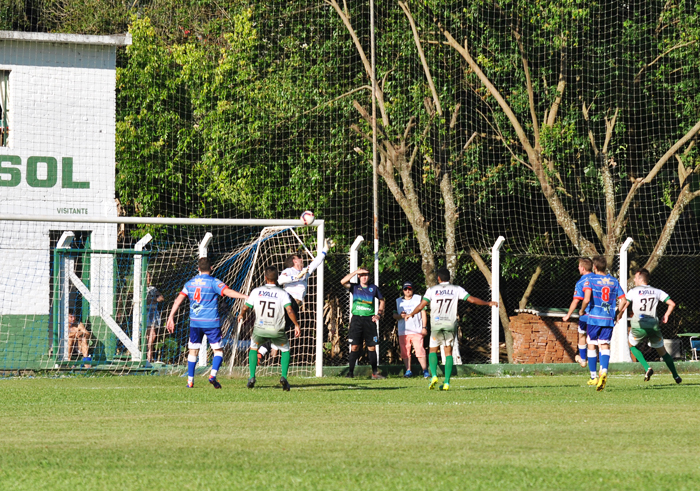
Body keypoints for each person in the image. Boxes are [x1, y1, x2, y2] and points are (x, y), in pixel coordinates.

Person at [407, 268, 497, 391]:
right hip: (449, 324)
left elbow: (422, 305)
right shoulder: (456, 289)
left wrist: (411, 314)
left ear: (438, 278)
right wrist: (488, 303)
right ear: (449, 278)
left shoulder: (432, 290)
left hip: (437, 324)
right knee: (448, 352)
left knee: (433, 350)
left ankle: (433, 375)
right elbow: (471, 299)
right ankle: (447, 382)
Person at [166, 257, 247, 389]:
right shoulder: (213, 282)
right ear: (211, 268)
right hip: (211, 323)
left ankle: (190, 381)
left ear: (198, 269)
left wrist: (171, 317)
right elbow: (227, 292)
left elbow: (178, 300)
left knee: (193, 351)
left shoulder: (190, 283)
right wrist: (244, 296)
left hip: (195, 323)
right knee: (218, 350)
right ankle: (212, 375)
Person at [258, 238, 334, 363]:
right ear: (294, 260)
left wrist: (325, 249)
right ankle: (264, 350)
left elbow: (316, 262)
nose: (301, 259)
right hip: (287, 301)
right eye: (299, 257)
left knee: (281, 330)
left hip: (295, 305)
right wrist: (295, 277)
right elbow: (281, 280)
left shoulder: (304, 272)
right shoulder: (289, 271)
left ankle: (262, 351)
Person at [237, 266, 301, 391]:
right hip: (277, 330)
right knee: (285, 349)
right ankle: (283, 377)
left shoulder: (256, 291)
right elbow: (289, 310)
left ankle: (251, 377)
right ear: (277, 279)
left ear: (265, 278)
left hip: (260, 329)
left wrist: (241, 315)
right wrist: (296, 325)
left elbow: (245, 307)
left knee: (254, 348)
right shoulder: (282, 293)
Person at [616, 268, 681, 384]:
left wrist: (619, 314)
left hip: (639, 325)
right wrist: (666, 315)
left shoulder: (633, 291)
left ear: (640, 279)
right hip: (653, 325)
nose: (634, 280)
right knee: (663, 352)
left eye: (635, 277)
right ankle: (676, 376)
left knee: (631, 345)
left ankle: (647, 368)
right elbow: (672, 304)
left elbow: (625, 304)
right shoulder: (657, 291)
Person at [579, 255, 625, 391]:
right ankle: (603, 370)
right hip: (608, 319)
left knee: (592, 344)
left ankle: (594, 377)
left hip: (594, 317)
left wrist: (581, 310)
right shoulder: (614, 281)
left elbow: (586, 299)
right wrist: (618, 314)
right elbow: (624, 301)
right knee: (604, 345)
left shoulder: (591, 280)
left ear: (594, 267)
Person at [340, 267, 385, 379]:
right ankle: (350, 373)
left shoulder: (373, 288)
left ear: (369, 277)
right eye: (362, 275)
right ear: (359, 276)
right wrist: (355, 272)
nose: (364, 277)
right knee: (354, 346)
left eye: (366, 275)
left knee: (372, 347)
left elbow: (382, 300)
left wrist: (378, 314)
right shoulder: (354, 287)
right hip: (357, 320)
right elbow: (343, 282)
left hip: (369, 320)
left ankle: (374, 373)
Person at [562, 258, 594, 371]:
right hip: (602, 315)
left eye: (579, 266)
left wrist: (568, 315)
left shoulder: (581, 282)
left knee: (582, 335)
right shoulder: (599, 279)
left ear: (583, 268)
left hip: (587, 314)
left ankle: (584, 359)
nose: (578, 268)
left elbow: (576, 301)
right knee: (596, 341)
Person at [392, 281, 429, 378]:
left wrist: (424, 327)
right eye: (405, 289)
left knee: (420, 350)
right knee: (405, 351)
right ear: (403, 290)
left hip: (416, 330)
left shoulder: (418, 298)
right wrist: (400, 316)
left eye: (409, 289)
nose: (408, 291)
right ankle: (408, 370)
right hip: (403, 330)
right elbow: (394, 315)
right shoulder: (398, 301)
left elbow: (423, 313)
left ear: (412, 289)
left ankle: (425, 370)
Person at [146, 272, 165, 363]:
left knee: (153, 335)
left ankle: (149, 356)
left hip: (152, 313)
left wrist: (153, 299)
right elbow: (145, 301)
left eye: (149, 277)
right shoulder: (139, 288)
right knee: (146, 335)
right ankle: (145, 355)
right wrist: (153, 299)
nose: (149, 279)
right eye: (147, 277)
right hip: (143, 314)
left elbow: (161, 298)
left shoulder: (152, 289)